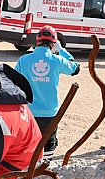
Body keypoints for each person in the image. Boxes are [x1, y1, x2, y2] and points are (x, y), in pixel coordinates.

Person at [15, 26, 80, 161]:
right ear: (53, 44)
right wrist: (62, 51)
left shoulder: (23, 60)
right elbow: (75, 68)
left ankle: (28, 169)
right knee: (49, 144)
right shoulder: (58, 60)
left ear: (37, 41)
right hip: (50, 113)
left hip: (29, 112)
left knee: (29, 142)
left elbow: (14, 82)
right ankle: (45, 169)